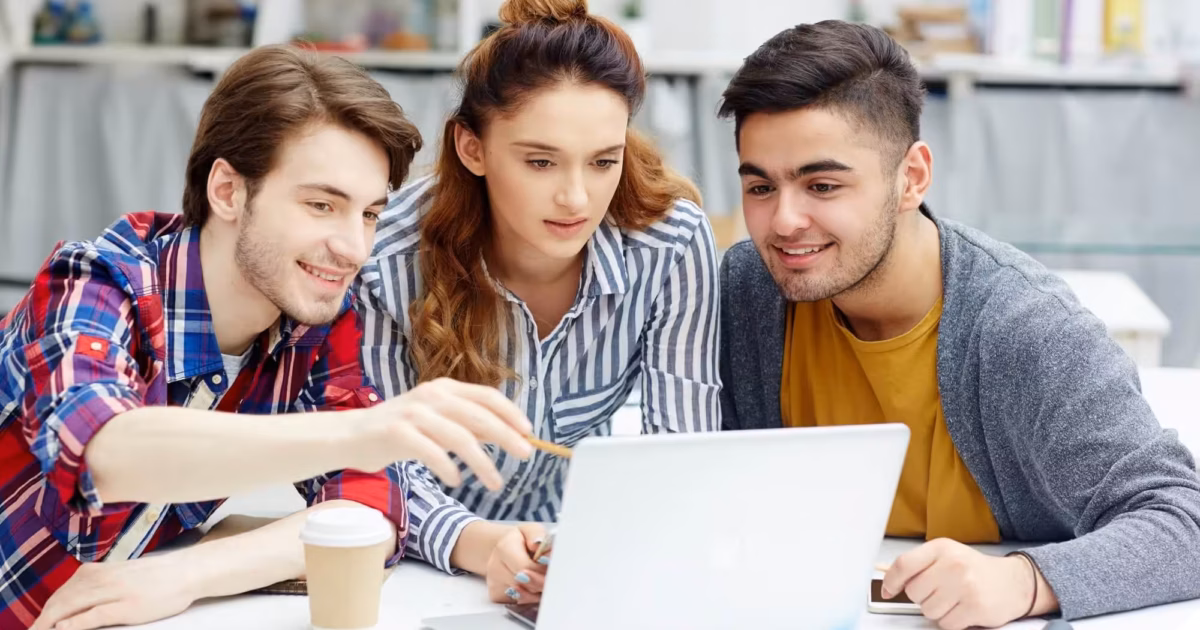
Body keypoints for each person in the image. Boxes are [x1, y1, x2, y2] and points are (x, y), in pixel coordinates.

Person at [0, 45, 535, 630]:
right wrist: (361, 431)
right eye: (321, 204)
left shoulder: (314, 322)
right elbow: (105, 451)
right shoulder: (94, 281)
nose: (354, 249)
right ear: (228, 190)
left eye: (368, 214)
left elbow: (374, 509)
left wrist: (186, 575)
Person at [716, 20, 1200, 629]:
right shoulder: (749, 290)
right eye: (761, 186)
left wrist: (1025, 581)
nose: (784, 221)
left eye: (823, 184)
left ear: (912, 177)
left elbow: (1183, 520)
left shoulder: (1025, 331)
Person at [358, 0, 722, 606]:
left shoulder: (670, 242)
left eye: (604, 161)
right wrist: (483, 544)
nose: (576, 197)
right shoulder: (386, 253)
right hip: (414, 565)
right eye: (540, 161)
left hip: (574, 559)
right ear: (472, 149)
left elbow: (682, 453)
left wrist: (598, 548)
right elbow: (377, 464)